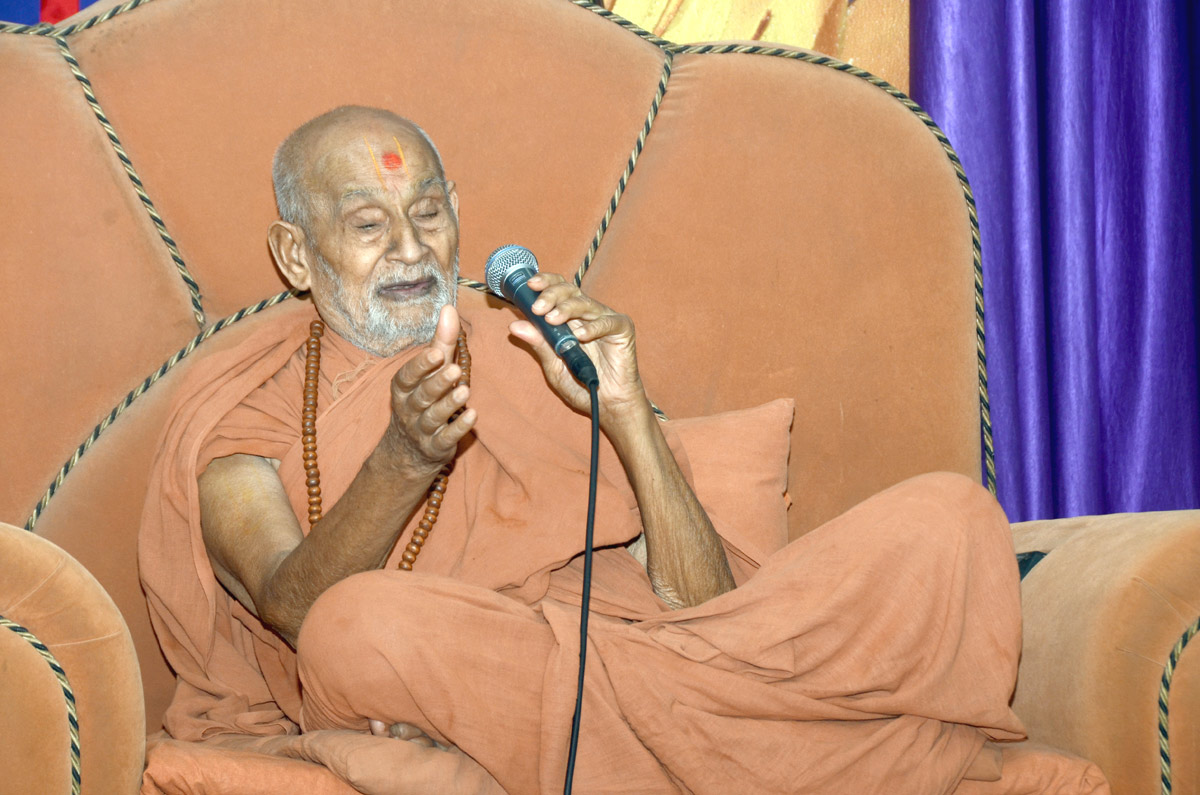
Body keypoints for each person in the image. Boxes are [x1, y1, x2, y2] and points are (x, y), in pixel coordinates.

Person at [139, 105, 1108, 794]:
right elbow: (290, 605)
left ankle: (723, 747)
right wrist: (403, 457)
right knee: (356, 630)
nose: (409, 247)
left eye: (427, 212)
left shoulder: (527, 347)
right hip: (484, 660)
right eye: (366, 223)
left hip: (645, 654)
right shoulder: (244, 407)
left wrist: (627, 409)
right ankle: (811, 748)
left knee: (952, 516)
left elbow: (708, 603)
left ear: (458, 210)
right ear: (296, 254)